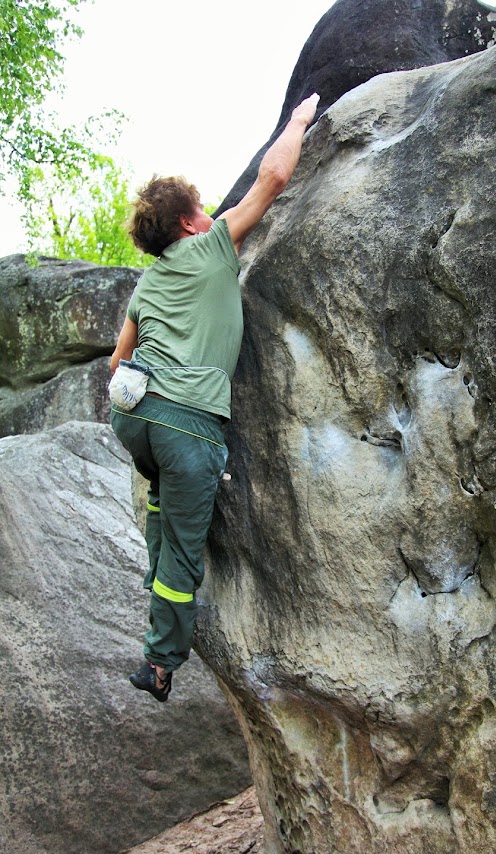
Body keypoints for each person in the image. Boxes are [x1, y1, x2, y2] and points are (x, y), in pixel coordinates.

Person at [109, 92, 320, 702]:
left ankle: (155, 566)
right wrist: (299, 120)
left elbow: (118, 361)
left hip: (137, 419)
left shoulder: (147, 284)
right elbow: (274, 177)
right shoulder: (211, 246)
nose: (211, 212)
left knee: (160, 501)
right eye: (203, 207)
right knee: (182, 549)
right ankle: (160, 661)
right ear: (188, 223)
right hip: (189, 425)